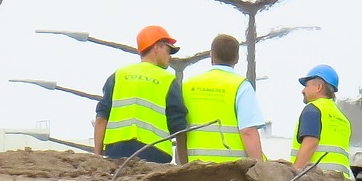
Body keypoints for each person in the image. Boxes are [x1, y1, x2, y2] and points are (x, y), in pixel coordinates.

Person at [92, 25, 188, 162]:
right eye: (168, 50)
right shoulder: (167, 80)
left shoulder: (119, 75)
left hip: (117, 151)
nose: (170, 56)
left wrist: (97, 157)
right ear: (156, 47)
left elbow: (101, 118)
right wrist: (184, 164)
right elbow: (179, 127)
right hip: (155, 153)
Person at [180, 34, 265, 163]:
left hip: (195, 169)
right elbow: (248, 131)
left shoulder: (188, 85)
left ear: (211, 55)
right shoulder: (241, 86)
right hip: (231, 170)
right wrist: (260, 169)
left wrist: (183, 164)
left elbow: (180, 130)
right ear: (236, 58)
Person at [291, 64, 352, 176]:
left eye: (306, 86)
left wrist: (294, 175)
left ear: (319, 86)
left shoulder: (313, 109)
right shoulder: (343, 119)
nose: (303, 90)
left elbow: (310, 142)